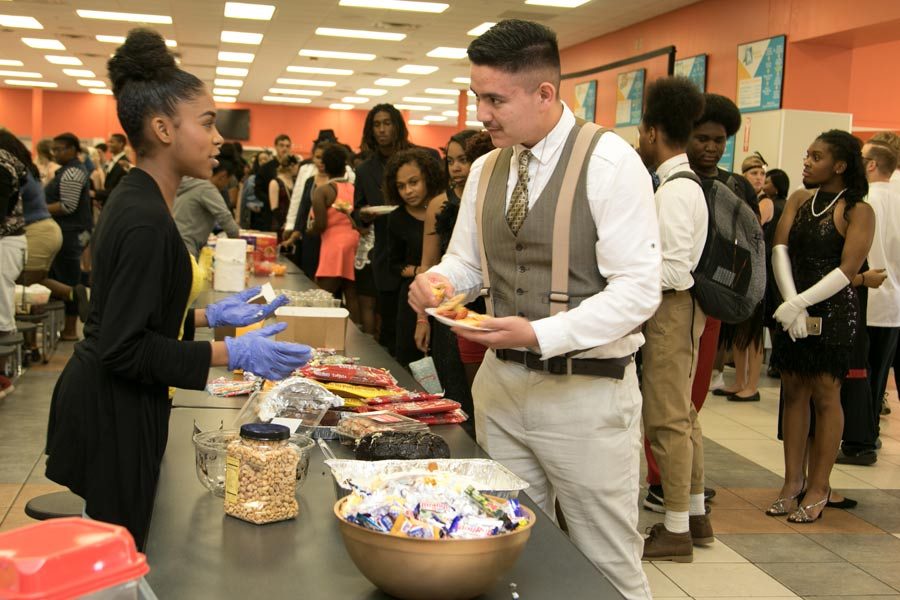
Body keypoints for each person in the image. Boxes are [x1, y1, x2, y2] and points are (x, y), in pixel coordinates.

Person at [409, 20, 659, 600]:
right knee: (508, 550)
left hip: (587, 396)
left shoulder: (609, 162)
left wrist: (541, 332)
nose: (483, 115)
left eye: (495, 99)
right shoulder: (485, 168)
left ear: (545, 93)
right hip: (500, 391)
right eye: (478, 98)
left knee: (607, 566)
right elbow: (468, 265)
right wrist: (437, 282)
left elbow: (638, 291)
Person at [44, 29, 312, 553]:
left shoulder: (142, 199)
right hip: (111, 410)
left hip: (116, 400)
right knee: (122, 553)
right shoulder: (145, 219)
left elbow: (133, 314)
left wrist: (213, 319)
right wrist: (231, 352)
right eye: (207, 122)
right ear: (163, 128)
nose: (218, 139)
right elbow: (126, 347)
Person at [767, 130, 874, 522]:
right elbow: (779, 248)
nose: (807, 162)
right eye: (807, 155)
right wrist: (791, 303)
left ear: (840, 166)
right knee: (793, 390)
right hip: (792, 308)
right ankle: (792, 481)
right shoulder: (798, 200)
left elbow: (849, 269)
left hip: (833, 311)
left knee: (827, 394)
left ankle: (819, 485)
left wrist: (799, 303)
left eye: (817, 156)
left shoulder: (858, 211)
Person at [636, 76, 713, 563]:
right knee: (683, 417)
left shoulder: (675, 192)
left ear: (651, 131)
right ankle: (697, 514)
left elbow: (676, 269)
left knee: (665, 418)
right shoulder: (679, 185)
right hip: (678, 311)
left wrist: (625, 273)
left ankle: (677, 529)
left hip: (671, 309)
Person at [418, 130, 493, 435]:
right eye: (451, 161)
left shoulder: (491, 197)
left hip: (489, 306)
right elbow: (430, 262)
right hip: (449, 303)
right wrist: (423, 317)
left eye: (465, 159)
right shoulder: (440, 204)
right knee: (453, 384)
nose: (457, 167)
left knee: (485, 392)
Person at [353, 104, 440, 354]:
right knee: (392, 334)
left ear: (398, 125)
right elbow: (358, 214)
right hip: (389, 256)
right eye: (376, 124)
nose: (382, 129)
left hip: (430, 252)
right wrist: (364, 215)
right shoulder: (365, 169)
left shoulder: (425, 156)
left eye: (387, 123)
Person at [835, 139, 898, 465]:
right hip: (894, 304)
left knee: (858, 374)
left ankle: (859, 440)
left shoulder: (863, 203)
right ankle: (868, 435)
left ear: (871, 164)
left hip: (865, 295)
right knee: (879, 376)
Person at [386, 148, 446, 368]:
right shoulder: (397, 218)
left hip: (447, 295)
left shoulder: (445, 209)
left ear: (428, 178)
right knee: (410, 360)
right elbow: (393, 264)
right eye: (401, 186)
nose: (408, 191)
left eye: (414, 182)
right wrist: (420, 271)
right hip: (412, 297)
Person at [45, 132, 93, 340]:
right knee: (62, 276)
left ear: (73, 149)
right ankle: (66, 328)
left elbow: (67, 205)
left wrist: (39, 209)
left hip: (69, 233)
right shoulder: (68, 170)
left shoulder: (73, 172)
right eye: (53, 149)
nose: (55, 153)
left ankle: (71, 329)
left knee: (69, 279)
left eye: (59, 149)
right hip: (68, 233)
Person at [310, 143, 360, 323]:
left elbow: (321, 224)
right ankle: (357, 338)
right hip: (354, 242)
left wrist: (310, 229)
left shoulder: (322, 191)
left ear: (324, 165)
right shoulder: (354, 189)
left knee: (324, 296)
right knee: (352, 294)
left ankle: (321, 332)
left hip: (333, 245)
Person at [173, 158, 241, 258]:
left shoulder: (192, 184)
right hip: (187, 246)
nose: (226, 185)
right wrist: (241, 241)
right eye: (228, 181)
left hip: (176, 241)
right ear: (223, 175)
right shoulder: (207, 189)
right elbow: (225, 218)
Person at [762, 168, 790, 377]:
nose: (764, 183)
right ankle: (778, 361)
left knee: (773, 315)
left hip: (770, 265)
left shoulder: (772, 205)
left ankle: (777, 361)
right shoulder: (787, 205)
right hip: (779, 266)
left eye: (768, 181)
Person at [252, 133, 291, 230]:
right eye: (281, 145)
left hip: (289, 213)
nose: (284, 149)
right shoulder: (266, 168)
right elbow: (258, 191)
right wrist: (272, 200)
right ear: (276, 147)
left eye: (287, 146)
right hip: (270, 214)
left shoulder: (293, 168)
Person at [95, 133, 131, 206]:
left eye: (112, 142)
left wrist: (96, 194)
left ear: (121, 144)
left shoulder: (124, 164)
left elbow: (118, 189)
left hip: (116, 204)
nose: (109, 144)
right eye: (109, 142)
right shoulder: (113, 161)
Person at [239, 150, 271, 228]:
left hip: (269, 217)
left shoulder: (274, 179)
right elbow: (243, 200)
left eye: (265, 159)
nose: (263, 161)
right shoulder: (251, 179)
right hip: (253, 217)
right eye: (260, 160)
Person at [268, 154, 298, 234]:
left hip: (292, 223)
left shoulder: (295, 182)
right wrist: (283, 223)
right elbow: (274, 208)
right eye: (297, 166)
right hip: (279, 225)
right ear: (291, 166)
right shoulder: (275, 182)